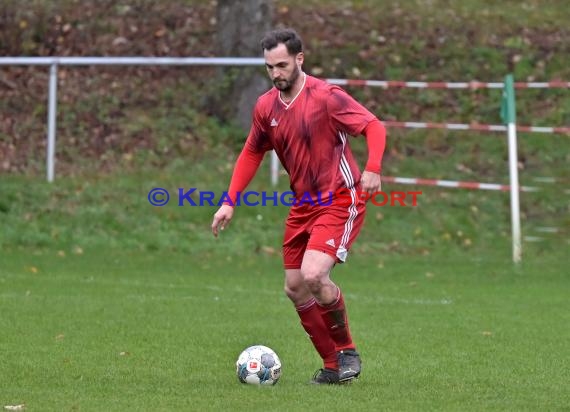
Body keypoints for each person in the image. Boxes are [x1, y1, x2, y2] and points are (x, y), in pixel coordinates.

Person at [211, 28, 386, 384]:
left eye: (282, 65)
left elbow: (373, 126)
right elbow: (251, 152)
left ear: (299, 59)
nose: (275, 73)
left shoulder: (326, 97)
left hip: (339, 198)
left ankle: (347, 350)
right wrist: (229, 201)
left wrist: (373, 168)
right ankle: (333, 366)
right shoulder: (265, 107)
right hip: (303, 205)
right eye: (269, 67)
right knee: (294, 287)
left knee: (314, 275)